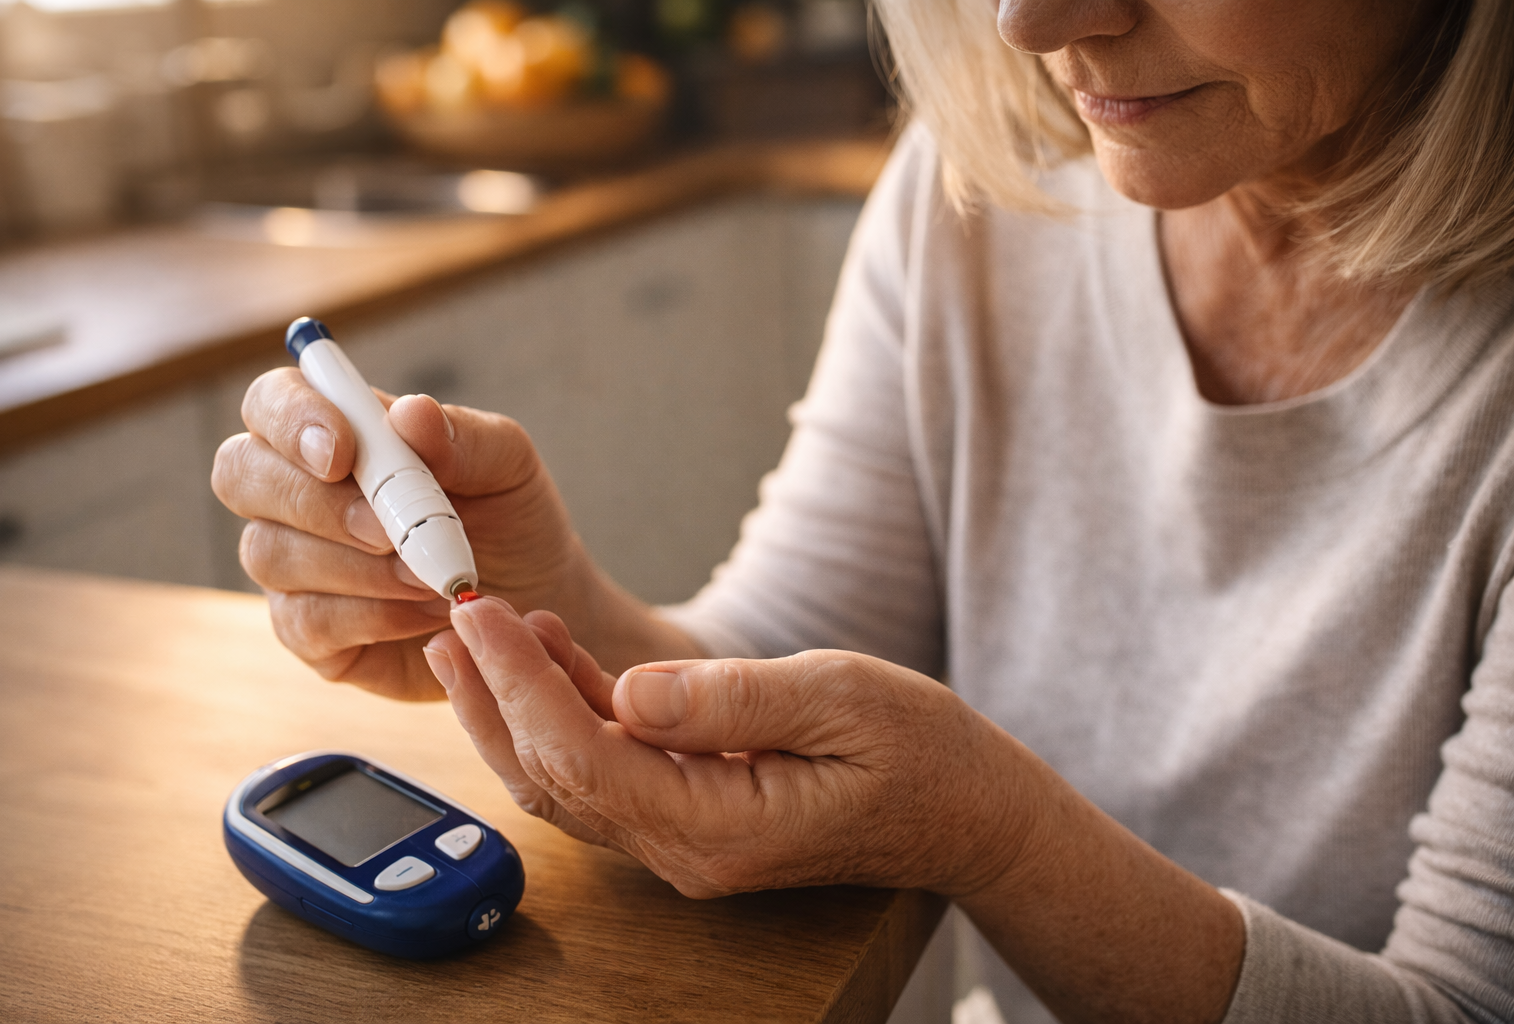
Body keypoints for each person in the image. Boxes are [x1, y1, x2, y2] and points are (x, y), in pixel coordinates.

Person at [211, 0, 1514, 1019]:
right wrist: (556, 603)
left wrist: (994, 837)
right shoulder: (993, 182)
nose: (1030, 22)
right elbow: (802, 642)